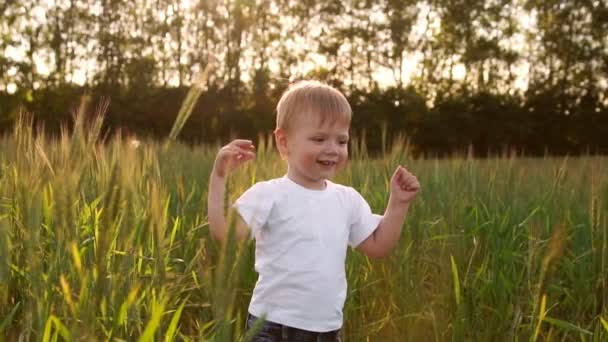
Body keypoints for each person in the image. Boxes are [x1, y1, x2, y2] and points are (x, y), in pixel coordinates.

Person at [207, 80, 420, 341]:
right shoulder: (270, 194)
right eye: (319, 139)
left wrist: (398, 203)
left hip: (327, 331)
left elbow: (379, 247)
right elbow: (225, 233)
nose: (332, 149)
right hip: (273, 328)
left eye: (341, 141)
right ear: (284, 143)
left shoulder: (347, 199)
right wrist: (219, 178)